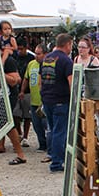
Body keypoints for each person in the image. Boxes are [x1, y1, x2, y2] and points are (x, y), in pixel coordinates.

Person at [0, 39, 29, 166]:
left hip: (8, 96)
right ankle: (20, 155)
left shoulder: (9, 61)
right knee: (9, 126)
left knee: (2, 125)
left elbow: (15, 80)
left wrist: (0, 72)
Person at [41, 33, 74, 172]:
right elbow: (71, 82)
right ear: (67, 44)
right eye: (71, 45)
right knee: (60, 132)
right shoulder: (66, 61)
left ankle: (53, 155)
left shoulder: (47, 58)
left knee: (52, 130)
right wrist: (76, 98)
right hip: (61, 100)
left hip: (47, 99)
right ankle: (57, 163)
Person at [22, 43, 48, 155]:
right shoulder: (31, 64)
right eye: (36, 53)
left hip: (45, 101)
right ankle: (42, 144)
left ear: (45, 54)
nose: (36, 56)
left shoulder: (48, 65)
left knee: (46, 125)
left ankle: (49, 145)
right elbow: (26, 78)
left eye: (39, 54)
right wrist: (22, 91)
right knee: (37, 125)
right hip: (34, 100)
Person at [12, 37, 35, 147]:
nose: (19, 51)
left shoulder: (31, 59)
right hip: (15, 90)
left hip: (28, 90)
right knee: (15, 114)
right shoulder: (14, 57)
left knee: (27, 115)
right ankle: (20, 133)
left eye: (21, 49)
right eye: (18, 49)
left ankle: (25, 136)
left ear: (26, 48)